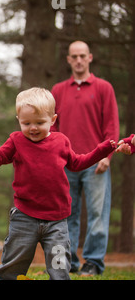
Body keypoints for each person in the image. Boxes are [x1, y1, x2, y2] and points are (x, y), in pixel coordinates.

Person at [0, 87, 116, 280]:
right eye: (26, 123)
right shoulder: (16, 140)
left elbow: (77, 162)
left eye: (40, 122)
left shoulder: (61, 141)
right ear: (18, 120)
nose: (33, 128)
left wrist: (103, 149)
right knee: (13, 262)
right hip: (24, 217)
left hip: (56, 219)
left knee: (59, 266)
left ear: (53, 120)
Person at [51, 41, 120, 275]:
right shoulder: (58, 90)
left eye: (82, 56)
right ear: (69, 60)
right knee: (65, 215)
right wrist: (54, 158)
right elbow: (52, 127)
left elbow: (111, 125)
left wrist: (107, 156)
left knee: (98, 214)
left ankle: (93, 262)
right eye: (74, 56)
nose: (78, 60)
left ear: (90, 57)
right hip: (66, 163)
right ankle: (67, 262)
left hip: (95, 163)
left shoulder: (103, 88)